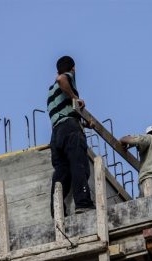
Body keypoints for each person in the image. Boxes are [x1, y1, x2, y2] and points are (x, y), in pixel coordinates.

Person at [47, 55, 95, 216]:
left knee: (62, 172)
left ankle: (57, 211)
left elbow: (64, 111)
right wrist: (76, 98)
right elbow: (62, 79)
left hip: (56, 134)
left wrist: (85, 121)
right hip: (69, 129)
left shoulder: (51, 90)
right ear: (73, 68)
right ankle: (83, 203)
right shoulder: (67, 77)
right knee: (78, 164)